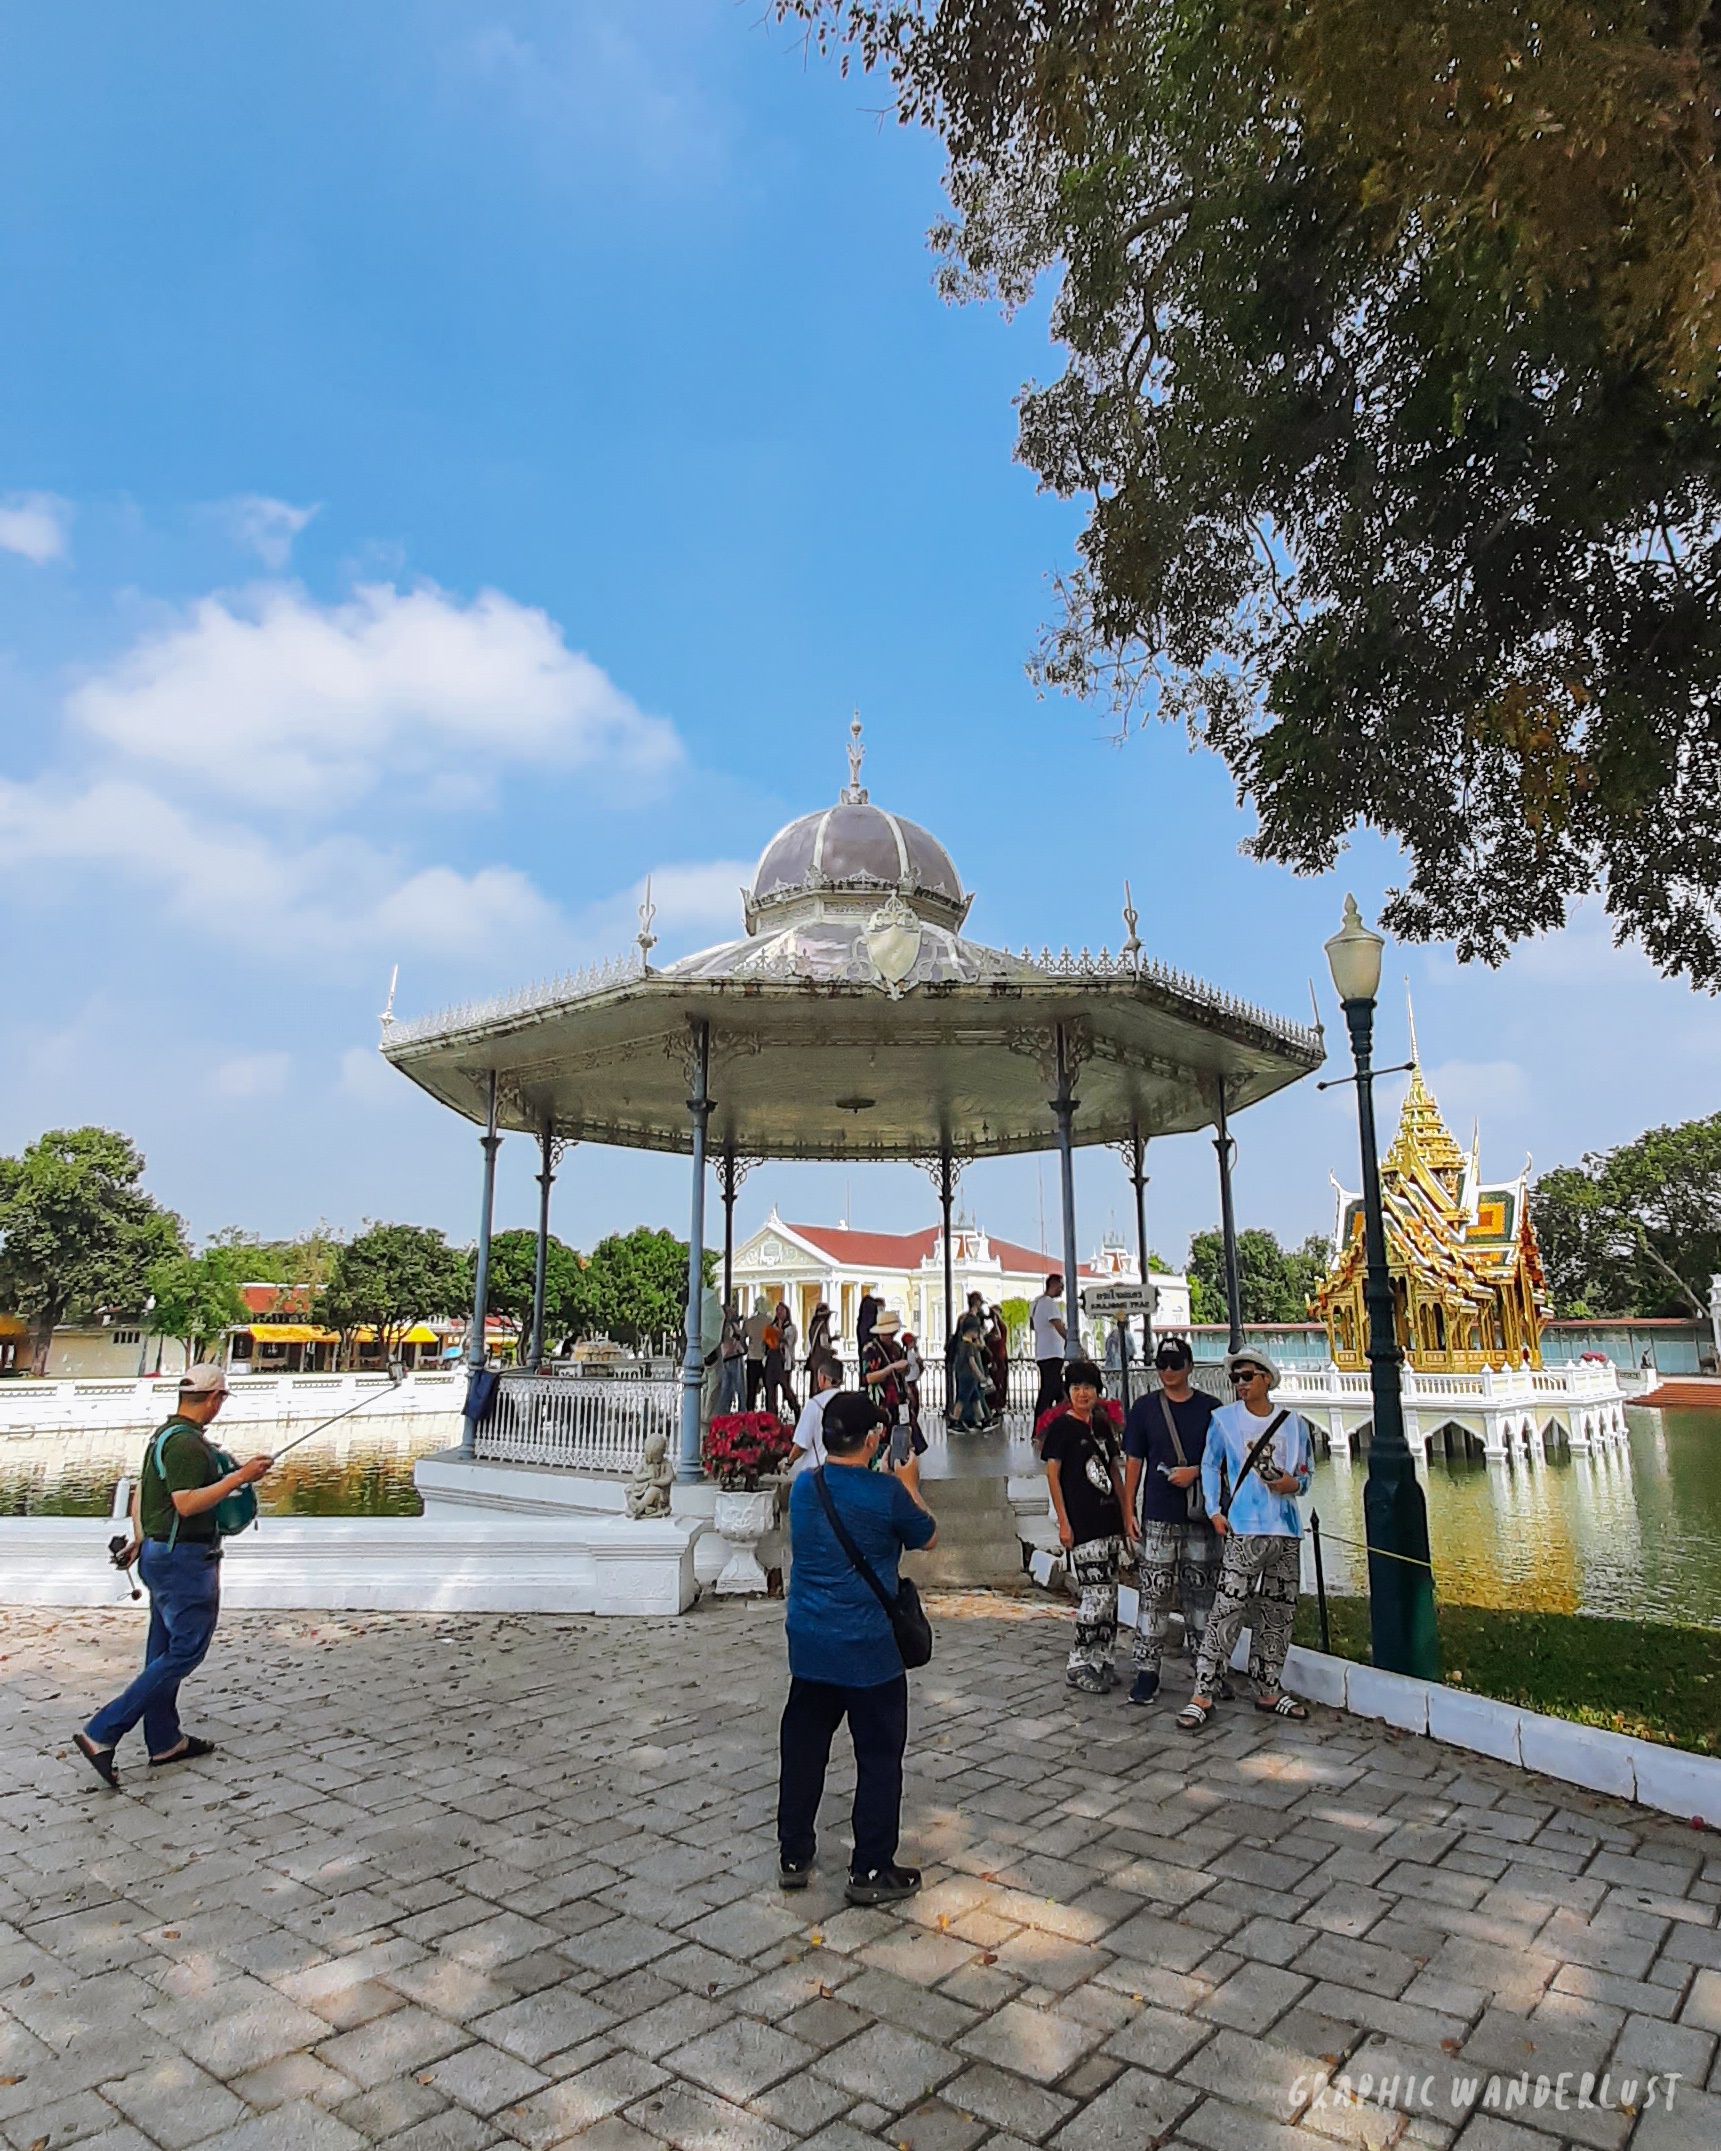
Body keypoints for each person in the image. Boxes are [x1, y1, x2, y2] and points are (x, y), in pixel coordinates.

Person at [74, 1365, 274, 1787]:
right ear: (215, 1398)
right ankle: (102, 1732)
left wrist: (140, 1538)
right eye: (221, 1400)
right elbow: (184, 1504)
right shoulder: (187, 1446)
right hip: (185, 1562)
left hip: (160, 1554)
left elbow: (146, 1495)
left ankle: (165, 1741)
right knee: (185, 1652)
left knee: (162, 1651)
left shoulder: (163, 1437)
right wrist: (241, 1476)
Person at [778, 1390, 937, 1903]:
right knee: (878, 1756)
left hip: (811, 1642)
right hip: (870, 1650)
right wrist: (908, 1485)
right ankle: (869, 1867)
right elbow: (927, 1536)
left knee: (803, 1749)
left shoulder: (805, 1489)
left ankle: (794, 1851)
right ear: (873, 1440)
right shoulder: (886, 1494)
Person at [1178, 1349, 1315, 1731]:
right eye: (1236, 1378)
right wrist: (1214, 1509)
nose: (1240, 1383)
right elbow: (1210, 1463)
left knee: (1278, 1611)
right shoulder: (1224, 1420)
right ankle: (1203, 1690)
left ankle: (1269, 1685)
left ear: (1266, 1379)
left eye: (1248, 1376)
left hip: (1284, 1527)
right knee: (1228, 1609)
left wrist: (1295, 1484)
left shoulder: (1293, 1424)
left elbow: (1306, 1473)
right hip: (1243, 1526)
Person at [1121, 1337, 1220, 1705]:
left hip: (1199, 1515)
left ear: (1189, 1367)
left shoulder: (1210, 1410)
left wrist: (1194, 1472)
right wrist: (1128, 1509)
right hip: (1159, 1515)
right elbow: (1134, 1461)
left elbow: (1221, 1460)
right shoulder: (1146, 1408)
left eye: (1175, 1365)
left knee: (1201, 1596)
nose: (1167, 1372)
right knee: (1154, 1595)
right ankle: (1147, 1669)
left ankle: (1207, 1668)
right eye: (1162, 1365)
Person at [1040, 1359, 1131, 1692]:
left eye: (1088, 1388)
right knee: (1096, 1594)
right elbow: (1053, 1474)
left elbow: (1114, 1471)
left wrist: (1126, 1515)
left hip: (1108, 1520)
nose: (1082, 1394)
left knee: (1112, 1594)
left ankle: (1102, 1657)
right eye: (1076, 1388)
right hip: (1083, 1523)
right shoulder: (1062, 1429)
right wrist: (1064, 1522)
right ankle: (1078, 1661)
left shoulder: (1102, 1426)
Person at [861, 1309, 911, 1461]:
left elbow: (901, 1374)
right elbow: (869, 1377)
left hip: (897, 1399)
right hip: (880, 1402)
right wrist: (891, 1368)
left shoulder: (896, 1348)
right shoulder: (871, 1349)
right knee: (881, 1437)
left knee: (901, 1434)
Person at [788, 1356, 842, 1472]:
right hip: (844, 1469)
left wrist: (789, 1462)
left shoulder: (815, 1404)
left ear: (822, 1378)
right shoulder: (849, 1402)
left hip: (817, 1470)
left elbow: (801, 1444)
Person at [950, 1296, 992, 1431]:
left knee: (975, 1399)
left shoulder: (962, 1344)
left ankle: (983, 1420)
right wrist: (981, 1376)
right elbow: (972, 1362)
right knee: (962, 1399)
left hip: (966, 1375)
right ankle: (955, 1421)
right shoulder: (969, 1346)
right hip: (968, 1376)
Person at [1030, 1274, 1067, 1422]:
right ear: (1054, 1284)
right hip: (1052, 1353)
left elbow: (1032, 1326)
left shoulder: (1035, 1303)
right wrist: (1071, 1341)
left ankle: (1059, 1421)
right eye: (1061, 1286)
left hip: (1042, 1351)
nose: (1062, 1290)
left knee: (1058, 1391)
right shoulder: (1049, 1303)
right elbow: (1059, 1326)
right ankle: (1041, 1424)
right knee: (1049, 1391)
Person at [716, 1301, 747, 1414]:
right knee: (739, 1387)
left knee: (727, 1388)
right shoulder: (729, 1326)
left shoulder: (725, 1325)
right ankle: (740, 1411)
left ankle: (724, 1411)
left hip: (728, 1357)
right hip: (733, 1356)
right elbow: (736, 1337)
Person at [985, 1302, 1009, 1425]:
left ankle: (996, 1405)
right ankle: (996, 1405)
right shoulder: (998, 1326)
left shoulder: (999, 1326)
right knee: (997, 1382)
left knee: (997, 1382)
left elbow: (998, 1337)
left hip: (998, 1358)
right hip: (998, 1357)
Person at [744, 1300, 771, 1409]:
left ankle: (750, 1414)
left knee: (751, 1390)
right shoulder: (770, 1321)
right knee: (769, 1389)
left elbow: (742, 1338)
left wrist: (747, 1348)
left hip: (752, 1357)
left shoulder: (749, 1322)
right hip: (766, 1358)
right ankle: (770, 1415)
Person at [901, 1330, 924, 1447]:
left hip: (911, 1382)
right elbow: (921, 1364)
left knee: (913, 1409)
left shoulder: (908, 1354)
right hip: (910, 1383)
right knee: (913, 1409)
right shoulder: (911, 1354)